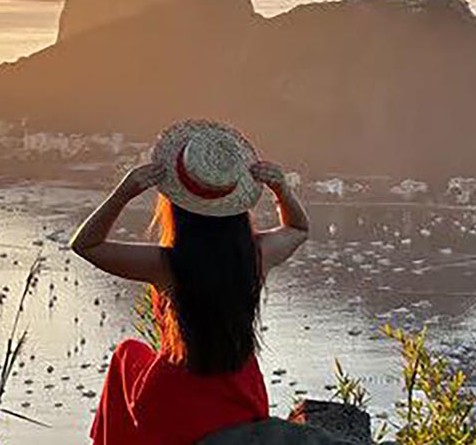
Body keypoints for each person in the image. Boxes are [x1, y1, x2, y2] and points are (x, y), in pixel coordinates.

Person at [70, 119, 310, 445]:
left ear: (177, 206)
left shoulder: (165, 265)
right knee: (130, 355)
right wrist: (282, 190)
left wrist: (124, 192)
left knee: (127, 354)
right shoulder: (255, 255)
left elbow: (85, 245)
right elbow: (298, 229)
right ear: (236, 202)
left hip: (173, 404)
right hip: (242, 399)